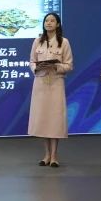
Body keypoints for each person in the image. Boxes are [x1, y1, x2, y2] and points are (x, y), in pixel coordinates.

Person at [29, 12, 73, 168]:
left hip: (56, 83)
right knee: (43, 119)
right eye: (46, 20)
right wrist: (37, 67)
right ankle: (46, 155)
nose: (48, 23)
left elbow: (69, 65)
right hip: (40, 83)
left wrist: (56, 66)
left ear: (58, 24)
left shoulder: (64, 42)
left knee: (55, 120)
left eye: (52, 21)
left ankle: (54, 156)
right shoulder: (37, 41)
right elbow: (32, 61)